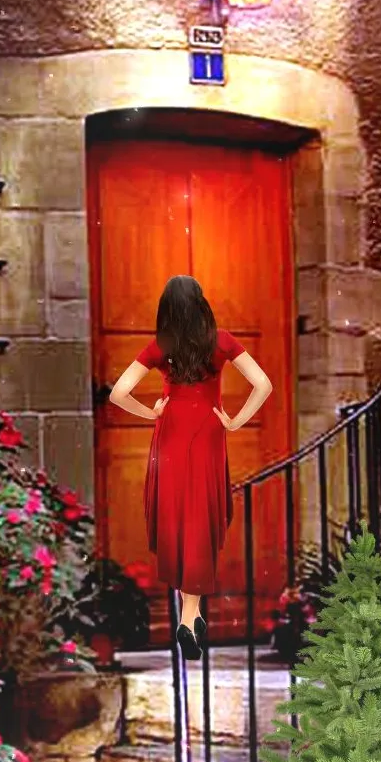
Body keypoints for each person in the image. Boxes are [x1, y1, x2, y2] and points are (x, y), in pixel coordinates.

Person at [110, 276, 272, 660]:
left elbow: (118, 393)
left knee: (176, 521)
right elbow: (262, 385)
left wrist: (149, 411)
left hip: (169, 436)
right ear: (201, 304)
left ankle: (191, 614)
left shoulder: (160, 345)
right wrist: (235, 420)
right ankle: (189, 616)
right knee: (200, 521)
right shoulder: (222, 340)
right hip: (208, 435)